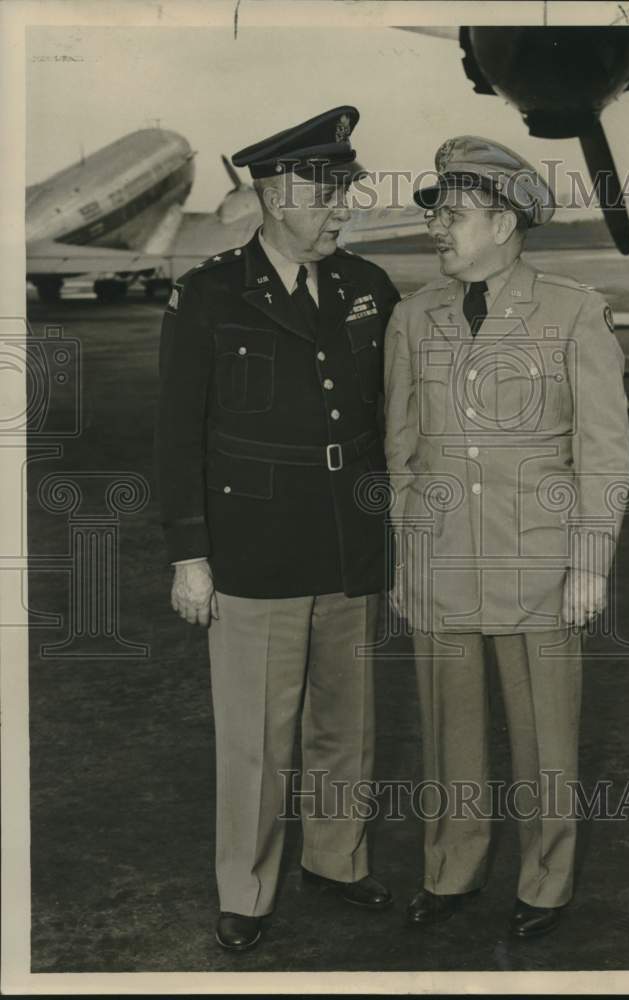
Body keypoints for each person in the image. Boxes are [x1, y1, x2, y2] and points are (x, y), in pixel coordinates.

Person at [156, 106, 401, 952]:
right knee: (256, 735)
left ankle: (338, 860)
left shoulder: (367, 287)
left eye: (346, 193)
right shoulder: (211, 292)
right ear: (272, 193)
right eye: (325, 194)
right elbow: (177, 433)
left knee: (346, 722)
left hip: (348, 539)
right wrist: (191, 554)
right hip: (252, 547)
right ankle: (246, 889)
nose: (344, 211)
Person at [383, 135, 629, 937]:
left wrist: (590, 564)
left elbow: (604, 451)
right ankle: (451, 873)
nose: (438, 231)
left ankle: (544, 883)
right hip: (442, 562)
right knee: (449, 733)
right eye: (437, 217)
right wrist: (405, 552)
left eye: (453, 216)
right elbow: (400, 447)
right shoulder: (411, 315)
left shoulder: (573, 311)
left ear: (504, 221)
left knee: (545, 739)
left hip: (541, 565)